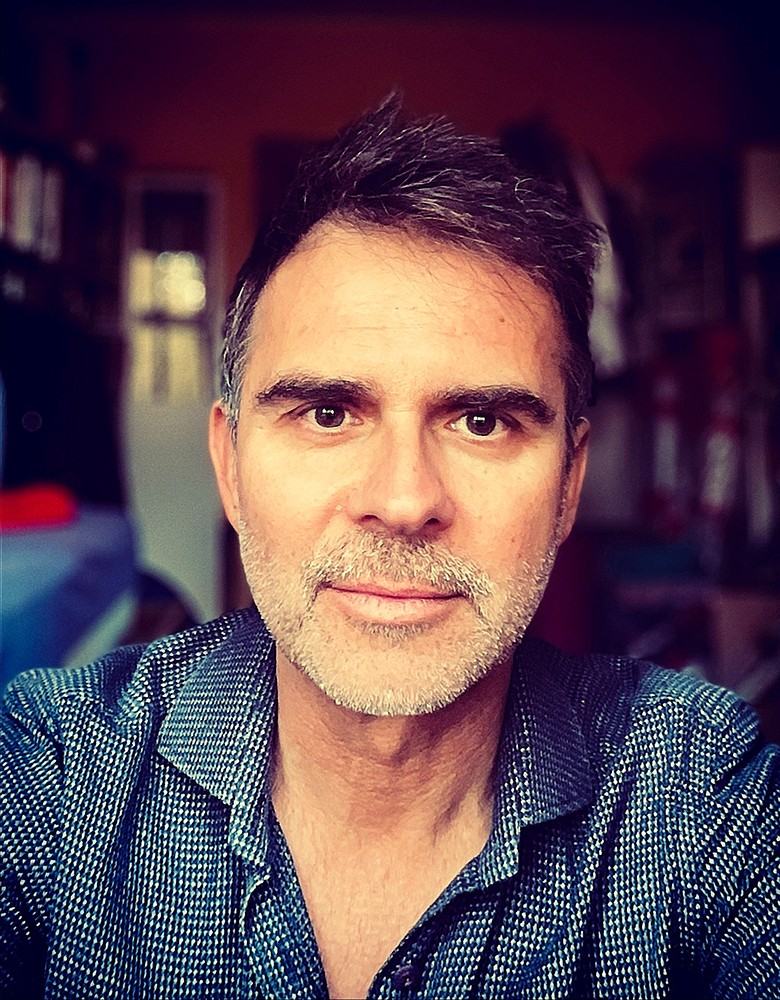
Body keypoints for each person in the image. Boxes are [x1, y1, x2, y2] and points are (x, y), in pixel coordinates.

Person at [1, 94, 777, 1000]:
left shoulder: (695, 791)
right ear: (230, 465)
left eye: (482, 421)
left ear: (569, 484)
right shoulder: (53, 774)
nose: (404, 502)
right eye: (329, 413)